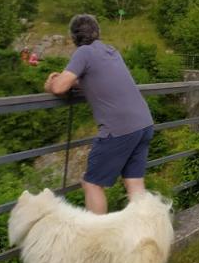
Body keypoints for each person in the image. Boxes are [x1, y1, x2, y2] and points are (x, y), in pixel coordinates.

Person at [44, 14, 154, 215]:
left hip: (120, 129)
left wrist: (51, 82)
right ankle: (145, 234)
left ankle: (98, 240)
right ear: (97, 32)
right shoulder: (111, 51)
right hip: (144, 123)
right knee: (134, 182)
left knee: (92, 184)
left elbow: (60, 88)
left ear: (74, 37)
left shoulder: (83, 53)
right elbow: (95, 78)